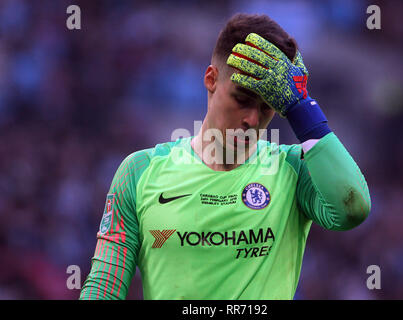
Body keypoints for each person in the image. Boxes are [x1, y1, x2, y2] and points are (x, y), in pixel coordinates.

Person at [79, 13, 371, 300]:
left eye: (269, 106)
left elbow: (352, 208)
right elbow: (104, 288)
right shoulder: (139, 172)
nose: (252, 119)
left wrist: (302, 108)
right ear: (211, 79)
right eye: (241, 100)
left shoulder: (293, 169)